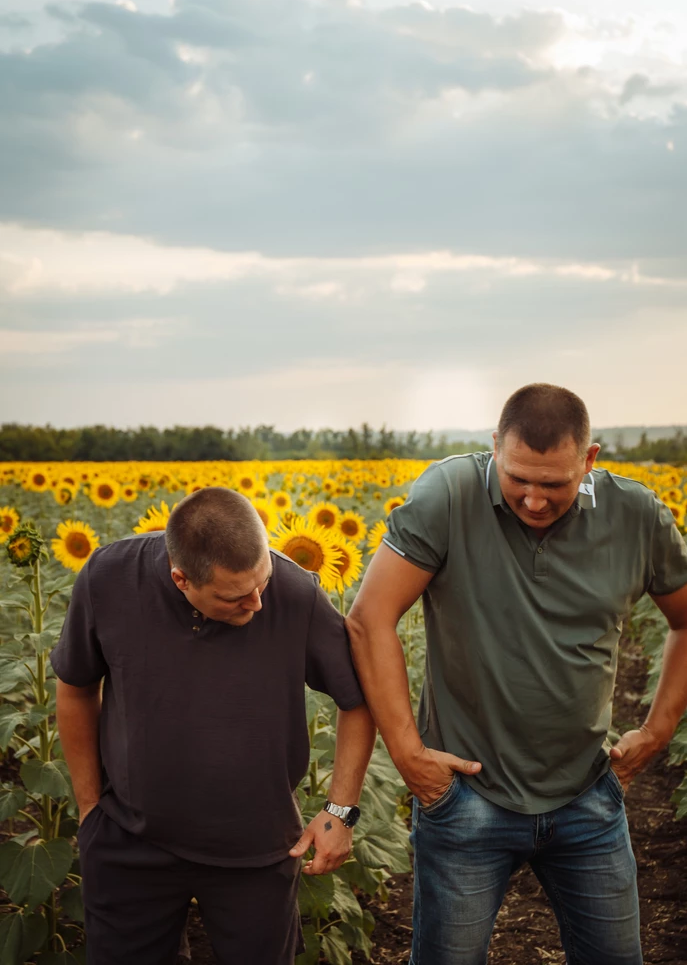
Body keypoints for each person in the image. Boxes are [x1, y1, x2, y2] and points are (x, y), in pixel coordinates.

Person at [346, 383, 687, 965]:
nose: (532, 499)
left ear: (590, 460)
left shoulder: (636, 516)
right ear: (494, 450)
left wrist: (656, 732)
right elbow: (368, 618)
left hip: (588, 796)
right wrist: (409, 757)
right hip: (465, 800)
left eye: (553, 483)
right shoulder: (449, 495)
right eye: (516, 478)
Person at [52, 487, 376, 965]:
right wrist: (88, 811)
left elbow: (358, 701)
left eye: (262, 583)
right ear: (181, 579)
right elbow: (76, 686)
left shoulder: (292, 591)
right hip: (130, 843)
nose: (259, 604)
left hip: (258, 852)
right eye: (237, 598)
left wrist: (340, 810)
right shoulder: (108, 578)